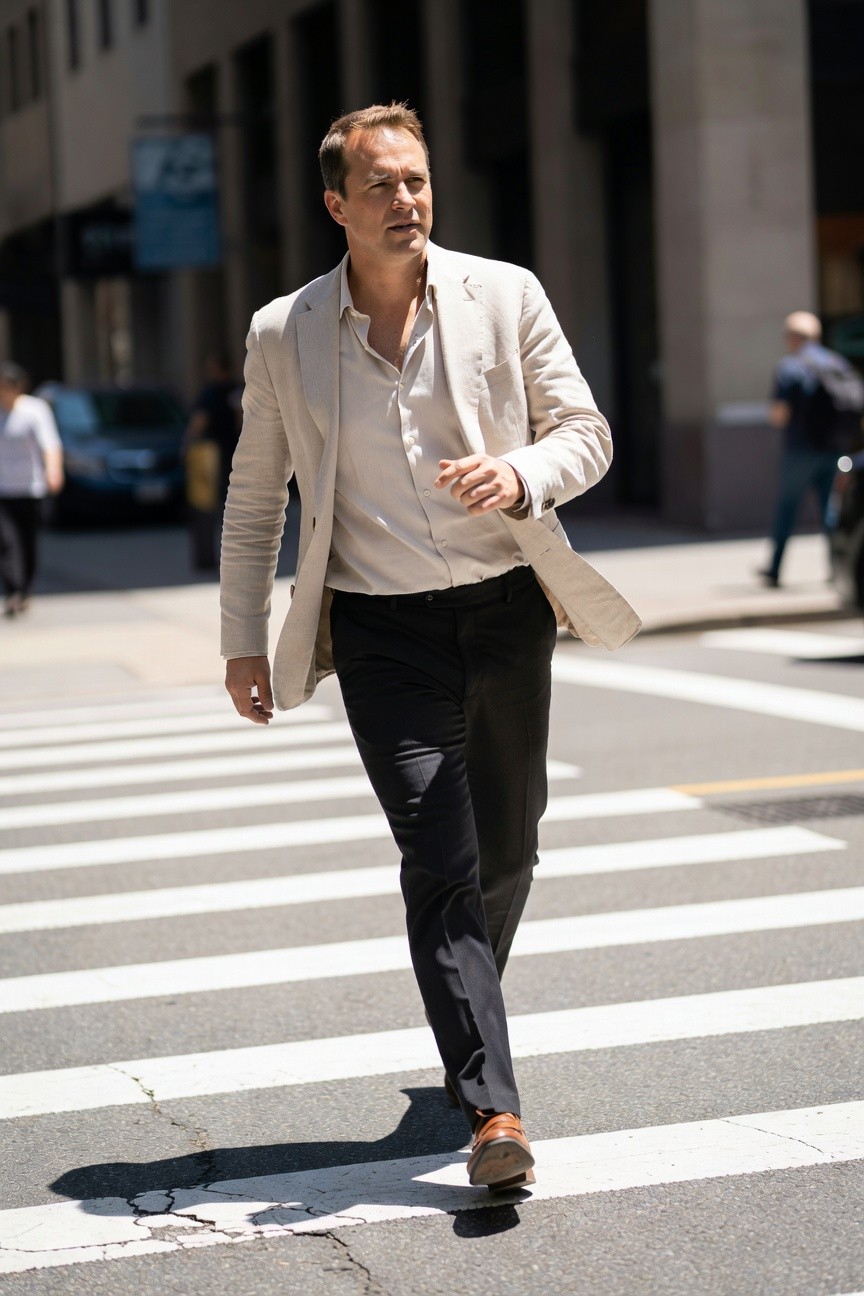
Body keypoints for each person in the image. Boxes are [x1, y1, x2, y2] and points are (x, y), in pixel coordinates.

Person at [220, 103, 640, 1192]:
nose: (406, 201)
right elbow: (256, 493)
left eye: (416, 181)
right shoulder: (286, 332)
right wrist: (242, 641)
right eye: (380, 187)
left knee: (509, 852)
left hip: (505, 609)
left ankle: (467, 1011)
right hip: (378, 632)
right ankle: (494, 1111)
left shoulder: (505, 294)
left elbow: (585, 431)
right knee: (439, 863)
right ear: (335, 206)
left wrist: (523, 475)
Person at [759, 310, 852, 587]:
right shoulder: (837, 363)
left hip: (800, 450)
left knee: (787, 507)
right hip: (833, 449)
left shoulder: (791, 366)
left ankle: (774, 570)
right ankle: (838, 569)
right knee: (830, 510)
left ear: (793, 338)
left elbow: (779, 413)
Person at [0, 361, 64, 617]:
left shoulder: (34, 410)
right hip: (3, 489)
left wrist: (54, 470)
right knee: (6, 541)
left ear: (19, 388)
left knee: (27, 541)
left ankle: (25, 589)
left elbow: (50, 443)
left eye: (6, 387)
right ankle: (13, 591)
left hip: (31, 487)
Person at [184, 350, 242, 571]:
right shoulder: (238, 390)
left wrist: (187, 445)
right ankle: (234, 559)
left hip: (208, 454)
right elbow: (242, 421)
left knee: (204, 509)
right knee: (234, 510)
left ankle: (205, 559)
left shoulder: (209, 392)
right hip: (233, 454)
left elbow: (199, 422)